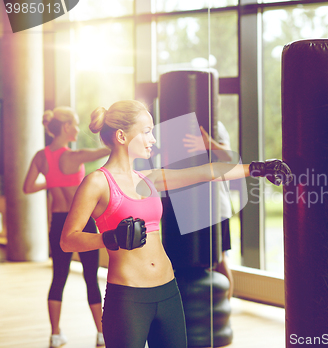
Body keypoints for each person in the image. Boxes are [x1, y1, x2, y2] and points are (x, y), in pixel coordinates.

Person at [59, 100, 292, 348]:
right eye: (147, 131)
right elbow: (67, 239)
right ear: (121, 136)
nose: (153, 139)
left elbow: (207, 172)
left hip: (168, 291)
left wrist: (258, 168)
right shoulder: (97, 183)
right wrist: (109, 238)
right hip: (128, 297)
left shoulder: (148, 178)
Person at [23, 107, 111, 348]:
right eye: (75, 124)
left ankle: (55, 335)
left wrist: (51, 182)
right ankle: (102, 334)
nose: (78, 128)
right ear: (65, 127)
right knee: (91, 278)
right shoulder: (76, 155)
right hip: (81, 223)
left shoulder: (41, 157)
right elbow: (108, 148)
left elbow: (28, 187)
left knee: (58, 278)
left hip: (58, 223)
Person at [183, 122, 235, 299]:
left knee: (219, 259)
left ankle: (226, 308)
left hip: (217, 207)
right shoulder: (180, 122)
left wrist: (209, 144)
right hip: (193, 208)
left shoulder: (215, 125)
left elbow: (230, 156)